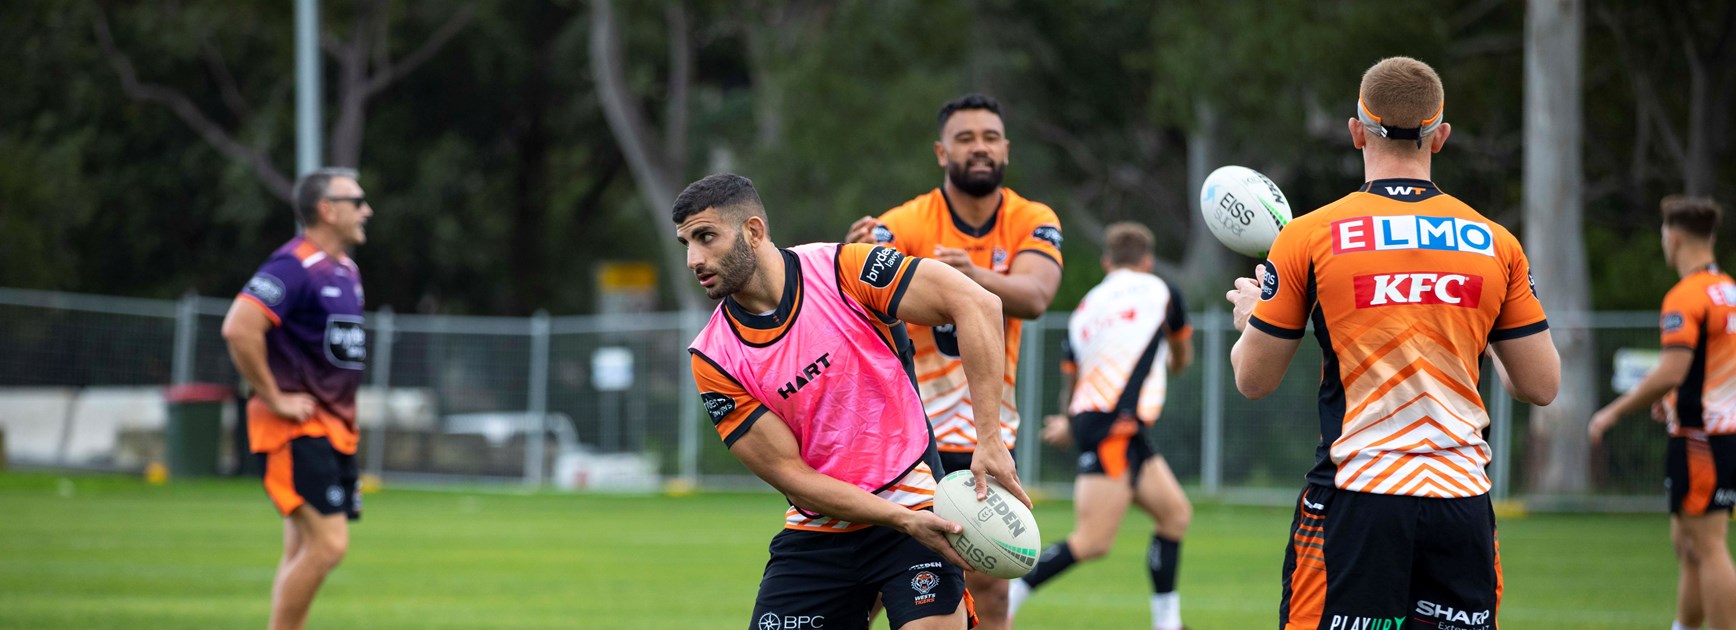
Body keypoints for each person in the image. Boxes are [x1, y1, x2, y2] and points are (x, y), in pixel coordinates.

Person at [1223, 57, 1560, 630]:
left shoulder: (1308, 236)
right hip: (1461, 504)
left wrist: (1253, 318)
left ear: (1356, 131)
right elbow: (1541, 385)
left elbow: (1254, 380)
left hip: (1358, 498)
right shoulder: (1496, 242)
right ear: (1441, 136)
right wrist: (1477, 336)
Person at [677, 173, 1031, 630]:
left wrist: (990, 439)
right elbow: (793, 477)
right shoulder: (714, 357)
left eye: (706, 237)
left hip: (917, 501)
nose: (693, 259)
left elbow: (977, 303)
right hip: (821, 530)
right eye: (686, 243)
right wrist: (898, 519)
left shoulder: (844, 269)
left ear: (754, 231)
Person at [844, 93, 1063, 628]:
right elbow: (857, 296)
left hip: (985, 433)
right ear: (942, 153)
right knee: (873, 579)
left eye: (990, 138)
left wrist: (971, 279)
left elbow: (1036, 296)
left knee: (991, 581)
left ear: (1006, 149)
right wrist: (849, 260)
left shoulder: (1032, 218)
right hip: (908, 435)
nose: (979, 148)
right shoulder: (904, 222)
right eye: (965, 139)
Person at [1004, 222, 1194, 630]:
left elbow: (1071, 383)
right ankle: (1011, 595)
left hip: (1107, 423)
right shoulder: (1161, 290)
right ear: (1148, 261)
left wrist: (1070, 422)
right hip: (1114, 426)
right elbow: (1182, 354)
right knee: (1092, 542)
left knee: (1175, 514)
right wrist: (1175, 362)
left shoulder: (1086, 307)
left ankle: (1167, 623)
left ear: (1107, 262)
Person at [221, 167, 373, 630]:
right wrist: (274, 397)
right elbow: (240, 328)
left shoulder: (347, 271)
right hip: (297, 429)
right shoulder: (293, 266)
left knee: (302, 548)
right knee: (329, 545)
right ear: (327, 210)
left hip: (333, 430)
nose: (366, 210)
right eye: (356, 201)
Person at [1589, 195, 1736, 630]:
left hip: (1700, 438)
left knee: (1708, 546)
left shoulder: (1685, 296)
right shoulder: (1728, 290)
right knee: (1687, 544)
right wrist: (1674, 400)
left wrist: (1612, 413)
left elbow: (1672, 371)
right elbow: (1714, 367)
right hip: (1720, 433)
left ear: (1673, 238)